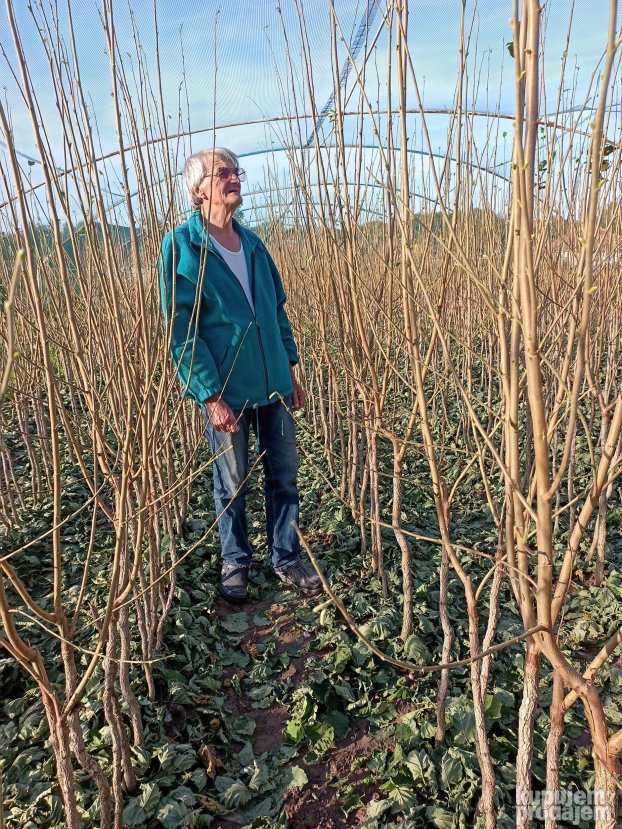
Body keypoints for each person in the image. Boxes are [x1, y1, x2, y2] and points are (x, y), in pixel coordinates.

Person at [159, 147, 321, 603]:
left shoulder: (252, 244)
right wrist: (209, 395)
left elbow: (277, 311)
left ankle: (286, 556)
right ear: (198, 188)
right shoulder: (181, 248)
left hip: (273, 384)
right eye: (223, 173)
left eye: (236, 171)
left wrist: (291, 368)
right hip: (228, 391)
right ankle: (236, 561)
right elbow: (182, 334)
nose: (234, 178)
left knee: (284, 475)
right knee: (232, 483)